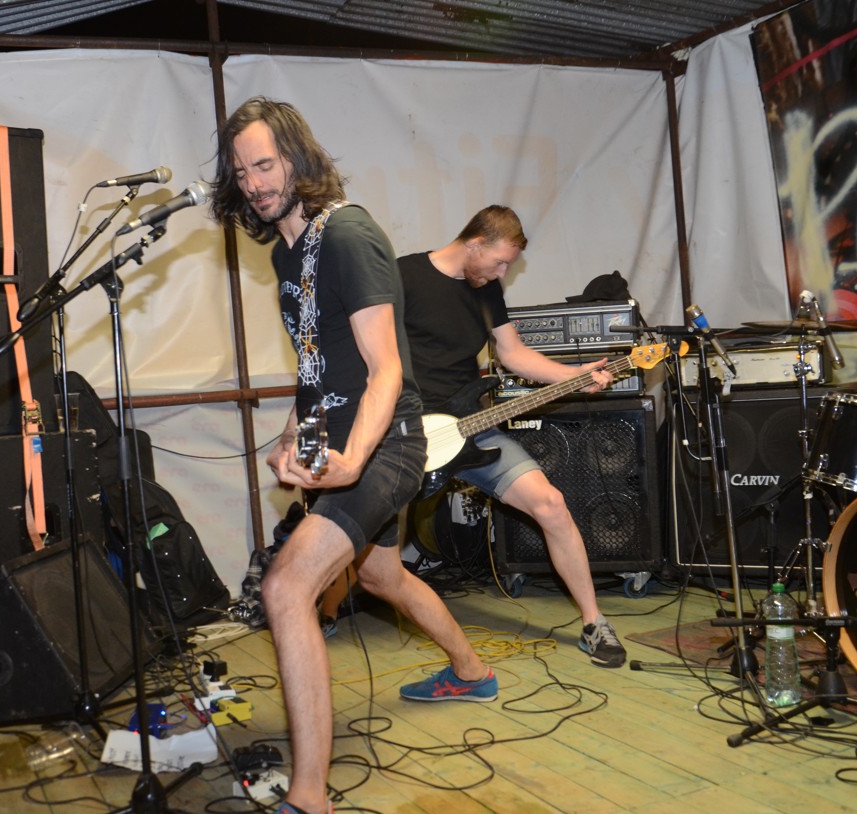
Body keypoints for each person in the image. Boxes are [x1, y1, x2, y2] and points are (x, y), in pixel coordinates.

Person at [210, 97, 496, 814]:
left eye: (264, 165)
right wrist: (290, 439)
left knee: (285, 589)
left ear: (297, 160)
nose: (253, 183)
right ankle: (471, 671)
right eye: (241, 172)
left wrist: (352, 459)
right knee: (379, 574)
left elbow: (385, 368)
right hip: (339, 444)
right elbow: (316, 368)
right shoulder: (285, 253)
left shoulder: (347, 234)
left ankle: (309, 797)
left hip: (385, 445)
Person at [397, 205, 628, 668]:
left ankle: (593, 622)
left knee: (552, 504)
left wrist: (574, 374)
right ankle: (325, 610)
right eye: (499, 262)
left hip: (470, 426)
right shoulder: (402, 276)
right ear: (474, 243)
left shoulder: (485, 288)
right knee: (367, 528)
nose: (503, 273)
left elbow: (513, 353)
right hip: (408, 430)